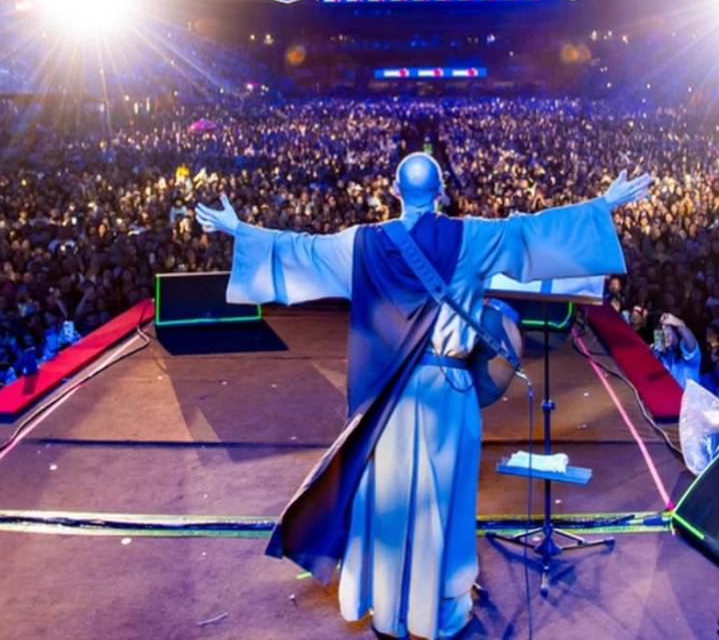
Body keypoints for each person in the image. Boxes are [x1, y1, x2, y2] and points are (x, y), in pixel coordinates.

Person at [197, 155, 651, 640]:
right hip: (447, 396)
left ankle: (386, 609)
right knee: (441, 502)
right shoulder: (473, 237)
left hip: (388, 396)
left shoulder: (362, 243)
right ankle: (439, 611)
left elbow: (300, 251)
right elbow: (531, 234)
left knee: (387, 502)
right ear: (441, 191)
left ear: (394, 190)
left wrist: (240, 229)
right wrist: (603, 205)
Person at [652, 312, 701, 390]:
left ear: (677, 334)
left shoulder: (688, 358)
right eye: (662, 332)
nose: (666, 336)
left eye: (669, 332)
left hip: (687, 401)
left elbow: (691, 343)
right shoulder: (659, 357)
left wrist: (679, 324)